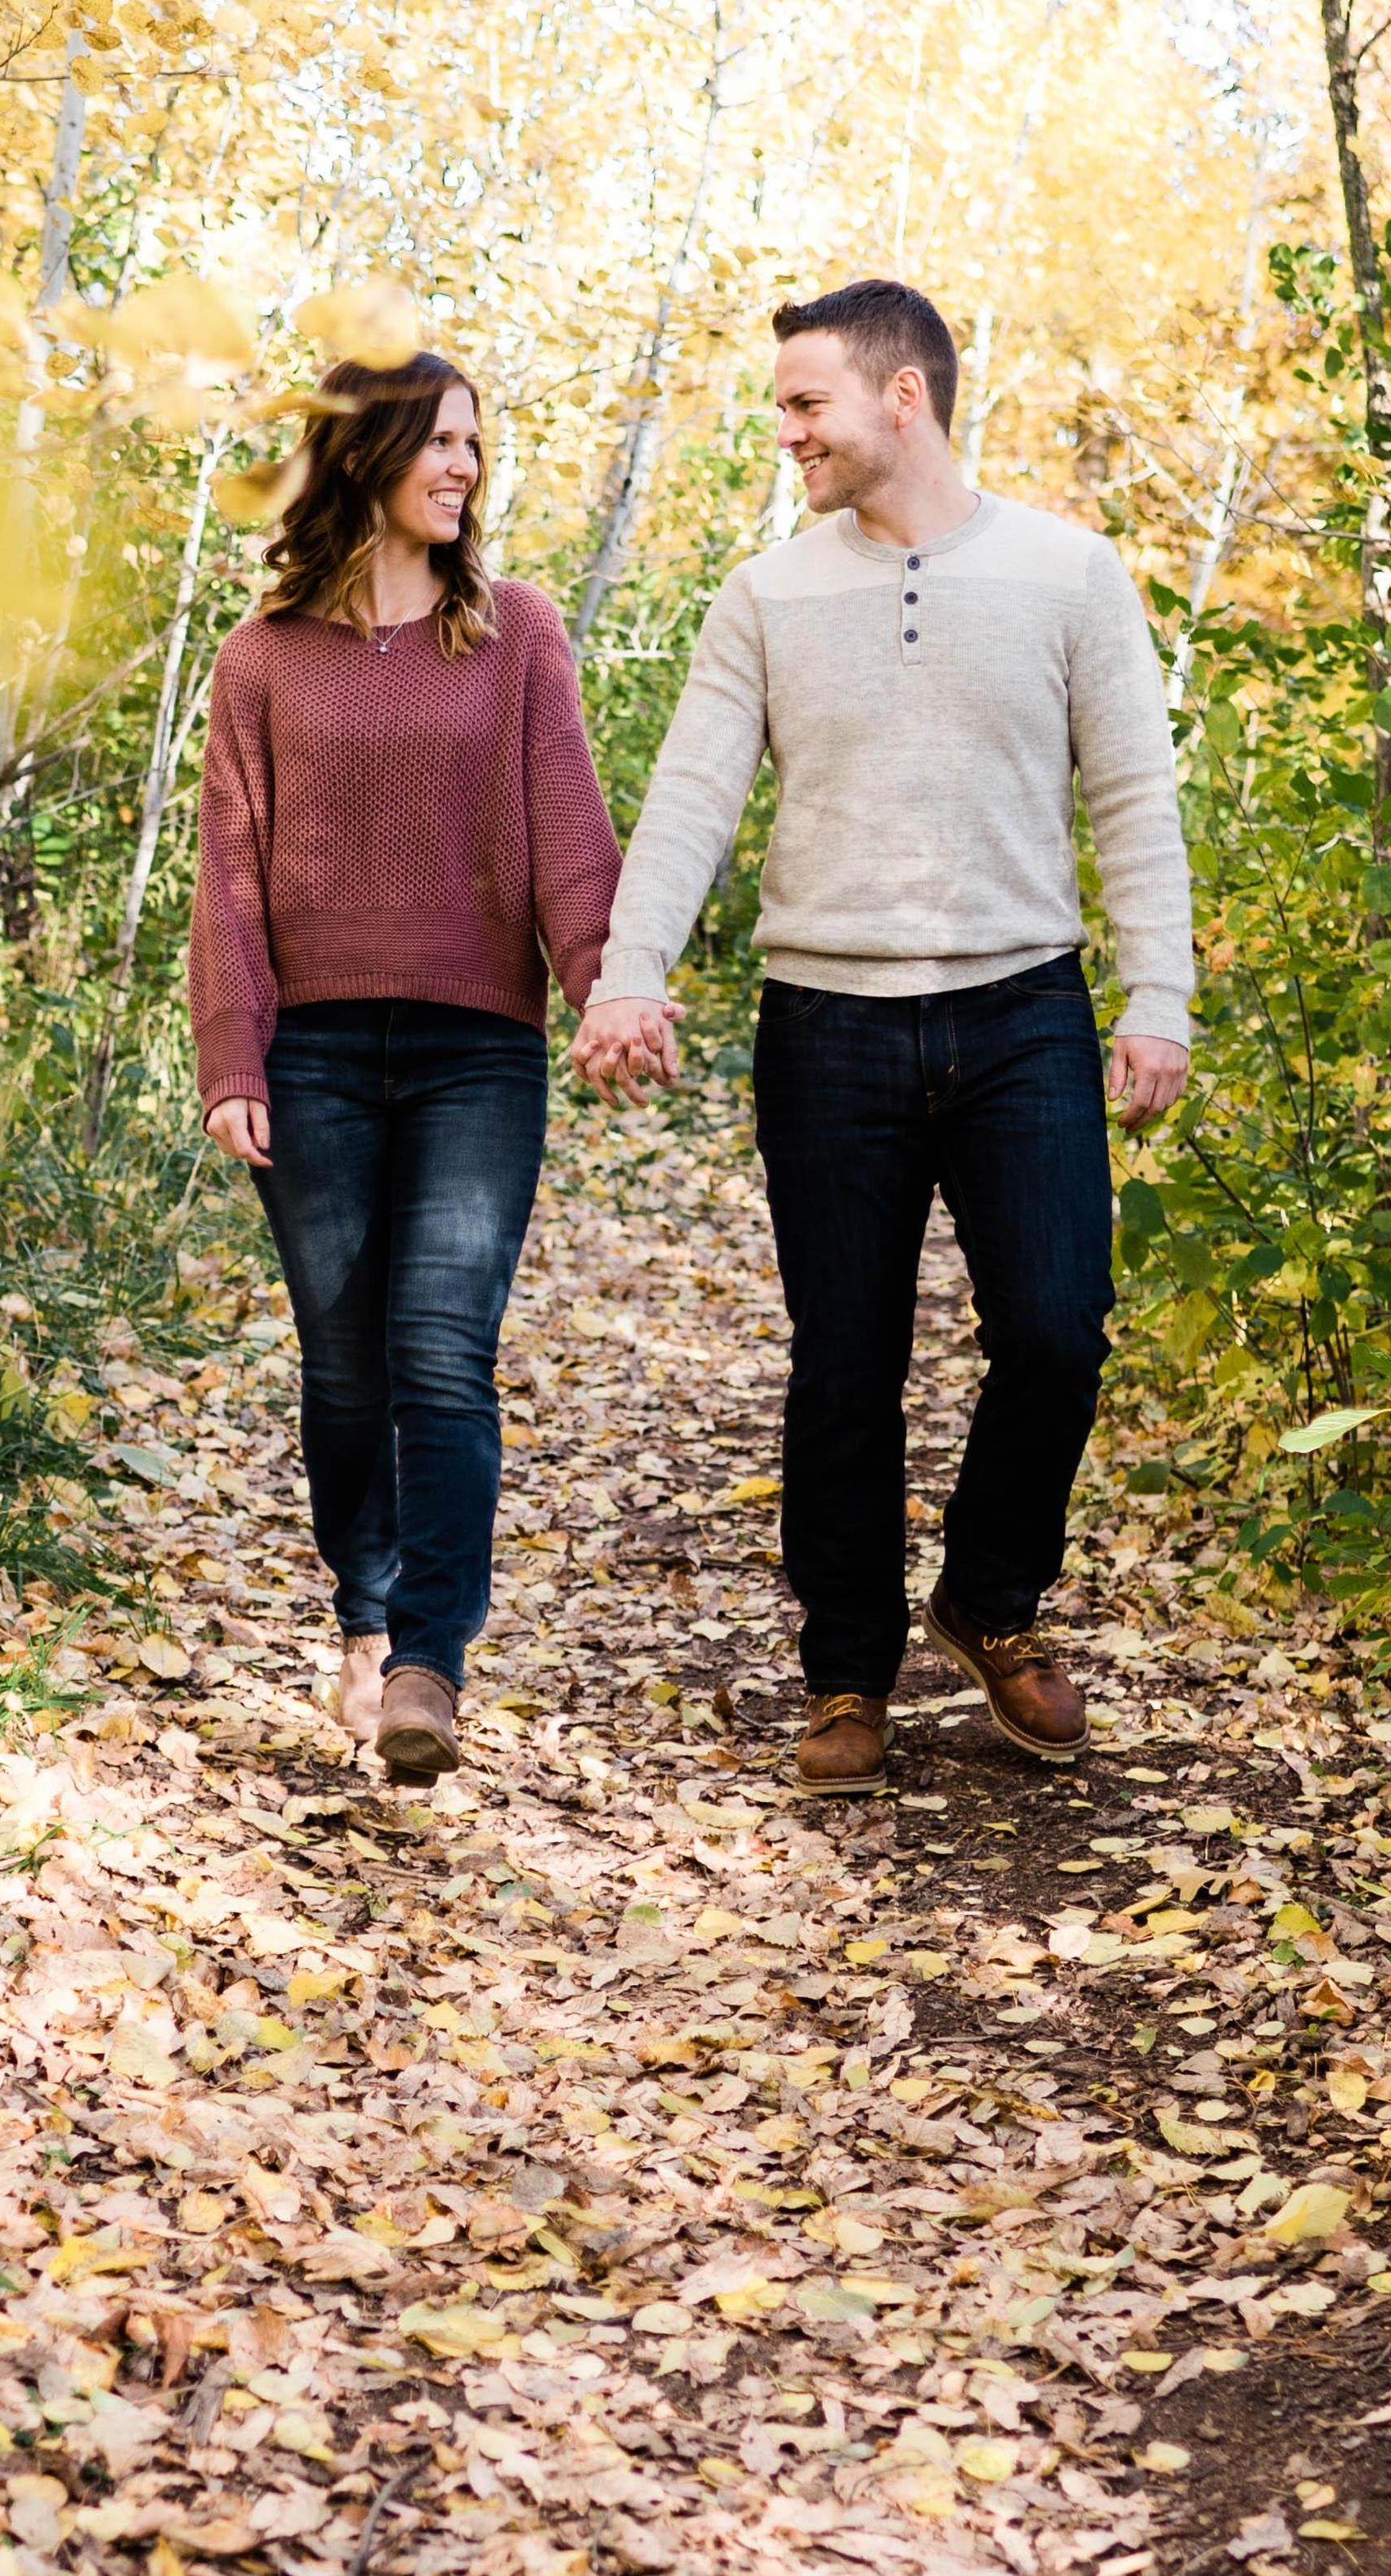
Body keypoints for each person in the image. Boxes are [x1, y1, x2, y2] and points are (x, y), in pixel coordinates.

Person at [570, 279, 1193, 1798]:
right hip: (826, 1027)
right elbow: (695, 799)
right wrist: (627, 972)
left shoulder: (1068, 574)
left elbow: (1131, 796)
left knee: (1056, 1329)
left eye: (805, 404)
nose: (786, 431)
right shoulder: (767, 596)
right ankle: (847, 1671)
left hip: (1021, 1011)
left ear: (899, 397)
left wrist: (1157, 994)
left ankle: (988, 1601)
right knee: (841, 1363)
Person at [190, 351, 626, 1787]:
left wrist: (607, 988)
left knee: (442, 1349)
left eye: (474, 444)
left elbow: (567, 833)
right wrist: (231, 1052)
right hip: (312, 1051)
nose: (465, 465)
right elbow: (231, 881)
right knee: (343, 1365)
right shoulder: (261, 660)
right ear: (366, 452)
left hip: (474, 1051)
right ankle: (364, 1618)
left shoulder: (513, 636)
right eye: (440, 440)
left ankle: (430, 1658)